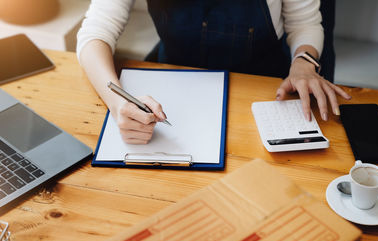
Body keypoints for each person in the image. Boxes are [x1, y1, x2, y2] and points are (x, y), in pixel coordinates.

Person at [77, 0, 351, 145]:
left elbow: (305, 23)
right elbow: (95, 33)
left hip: (263, 86)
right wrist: (118, 103)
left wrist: (303, 63)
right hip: (176, 80)